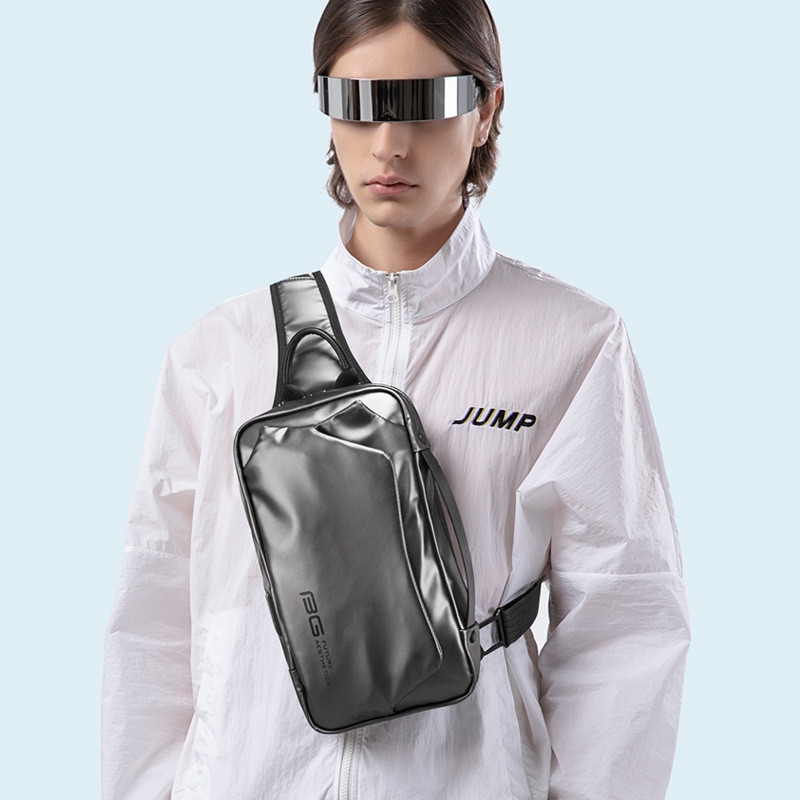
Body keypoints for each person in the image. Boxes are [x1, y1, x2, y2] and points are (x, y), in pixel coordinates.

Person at [100, 1, 691, 798]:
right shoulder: (218, 353)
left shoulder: (574, 344)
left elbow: (626, 625)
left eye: (425, 102)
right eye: (358, 102)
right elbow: (153, 619)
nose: (388, 143)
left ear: (486, 110)